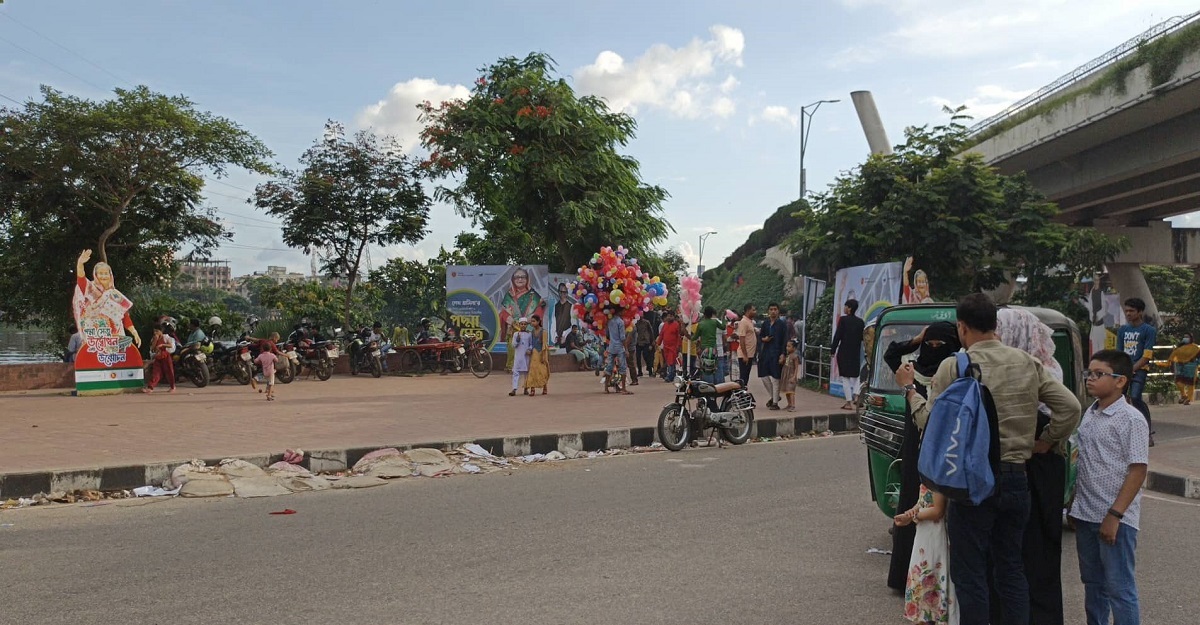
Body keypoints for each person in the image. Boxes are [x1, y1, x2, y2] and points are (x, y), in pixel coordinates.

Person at [896, 293, 1081, 625]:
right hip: (1017, 479)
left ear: (962, 327)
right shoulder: (1027, 362)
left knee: (971, 574)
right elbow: (1070, 408)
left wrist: (910, 391)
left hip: (972, 484)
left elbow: (932, 426)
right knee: (1011, 568)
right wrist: (1046, 441)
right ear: (995, 325)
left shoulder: (955, 365)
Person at [994, 307, 1068, 625]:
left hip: (1035, 468)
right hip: (1046, 468)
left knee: (1023, 551)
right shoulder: (1049, 368)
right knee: (1037, 552)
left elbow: (1069, 409)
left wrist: (1046, 440)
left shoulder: (1029, 370)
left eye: (999, 331)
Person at [1070, 350, 1149, 625]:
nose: (1091, 379)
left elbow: (1138, 470)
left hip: (1115, 519)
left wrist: (1114, 516)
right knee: (1093, 585)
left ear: (1120, 381)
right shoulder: (1090, 414)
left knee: (1119, 588)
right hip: (1085, 514)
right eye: (1088, 373)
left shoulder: (1131, 419)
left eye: (1099, 374)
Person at [884, 321, 962, 592]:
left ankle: (939, 583)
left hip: (942, 451)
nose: (935, 349)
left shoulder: (955, 374)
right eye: (931, 344)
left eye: (942, 345)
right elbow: (890, 355)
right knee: (910, 505)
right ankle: (904, 578)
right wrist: (916, 340)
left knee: (939, 514)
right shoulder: (911, 372)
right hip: (915, 451)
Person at [895, 483, 958, 625]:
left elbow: (937, 510)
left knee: (930, 574)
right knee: (928, 576)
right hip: (927, 533)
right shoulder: (930, 466)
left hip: (934, 533)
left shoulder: (935, 468)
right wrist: (911, 512)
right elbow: (924, 499)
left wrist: (913, 516)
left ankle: (931, 617)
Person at [72, 249, 142, 367]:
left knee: (115, 363)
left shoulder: (115, 294)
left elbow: (124, 315)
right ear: (96, 275)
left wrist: (134, 332)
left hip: (114, 336)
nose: (103, 276)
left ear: (110, 276)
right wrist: (80, 264)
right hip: (94, 334)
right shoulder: (90, 289)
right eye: (101, 273)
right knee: (95, 362)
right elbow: (81, 280)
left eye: (106, 273)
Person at [1117, 298, 1157, 446]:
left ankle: (1147, 433)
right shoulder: (1122, 330)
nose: (1128, 313)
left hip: (1139, 369)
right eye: (1126, 310)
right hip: (1124, 369)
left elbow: (1146, 356)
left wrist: (1132, 369)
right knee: (1118, 399)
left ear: (1140, 312)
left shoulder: (1148, 330)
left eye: (1131, 311)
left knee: (1135, 398)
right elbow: (1119, 352)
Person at [831, 299, 866, 411]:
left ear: (849, 308)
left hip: (844, 351)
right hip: (855, 351)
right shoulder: (861, 322)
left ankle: (848, 402)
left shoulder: (843, 320)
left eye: (846, 306)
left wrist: (832, 350)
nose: (844, 308)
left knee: (845, 377)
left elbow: (838, 336)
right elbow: (862, 338)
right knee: (856, 376)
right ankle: (856, 395)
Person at [757, 303, 788, 411]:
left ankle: (775, 402)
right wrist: (763, 339)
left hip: (777, 353)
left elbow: (785, 340)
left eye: (775, 309)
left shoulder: (782, 324)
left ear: (778, 311)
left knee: (775, 378)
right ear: (768, 311)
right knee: (763, 376)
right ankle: (774, 396)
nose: (773, 311)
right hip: (766, 353)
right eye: (771, 309)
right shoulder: (765, 323)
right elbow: (760, 336)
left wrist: (783, 354)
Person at [694, 306, 725, 384]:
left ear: (704, 314)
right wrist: (723, 317)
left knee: (706, 369)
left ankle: (708, 386)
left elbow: (695, 337)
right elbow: (723, 327)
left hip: (704, 349)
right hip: (714, 349)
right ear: (712, 314)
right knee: (714, 367)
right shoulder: (715, 322)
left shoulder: (700, 324)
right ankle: (717, 387)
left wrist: (687, 334)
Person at [1168, 332, 1198, 406]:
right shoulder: (1179, 347)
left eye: (1187, 337)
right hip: (1181, 367)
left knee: (1190, 383)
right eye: (1184, 337)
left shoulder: (1195, 348)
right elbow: (1173, 357)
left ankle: (1188, 399)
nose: (1185, 338)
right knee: (1178, 382)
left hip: (1191, 367)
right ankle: (1184, 395)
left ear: (1191, 338)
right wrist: (1172, 365)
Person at [143, 327, 176, 394]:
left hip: (165, 357)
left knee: (169, 372)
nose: (155, 333)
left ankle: (172, 387)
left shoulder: (165, 337)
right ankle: (150, 387)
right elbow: (152, 349)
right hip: (158, 357)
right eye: (154, 331)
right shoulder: (154, 338)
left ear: (161, 331)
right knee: (156, 373)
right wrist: (155, 340)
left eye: (157, 331)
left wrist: (162, 345)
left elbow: (170, 345)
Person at [605, 318, 633, 395]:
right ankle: (623, 388)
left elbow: (607, 334)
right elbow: (622, 337)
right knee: (623, 367)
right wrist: (626, 349)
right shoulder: (620, 321)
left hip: (611, 346)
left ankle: (606, 388)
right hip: (619, 347)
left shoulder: (609, 321)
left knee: (609, 367)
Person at [525, 315, 550, 396]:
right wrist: (529, 349)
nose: (532, 323)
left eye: (534, 321)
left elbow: (544, 344)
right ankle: (532, 389)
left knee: (542, 371)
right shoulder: (532, 332)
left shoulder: (544, 331)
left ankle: (545, 387)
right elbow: (532, 343)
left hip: (541, 353)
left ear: (538, 322)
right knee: (532, 371)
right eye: (531, 321)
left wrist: (543, 356)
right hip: (534, 353)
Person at [509, 318, 533, 396]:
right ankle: (514, 389)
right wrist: (517, 340)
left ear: (527, 325)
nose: (523, 325)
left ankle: (526, 388)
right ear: (519, 325)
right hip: (518, 357)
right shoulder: (516, 334)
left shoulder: (529, 334)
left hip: (526, 356)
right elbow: (513, 345)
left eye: (524, 324)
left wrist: (530, 349)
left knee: (526, 373)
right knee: (516, 372)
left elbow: (531, 344)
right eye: (521, 324)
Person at [736, 304, 758, 386]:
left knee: (746, 377)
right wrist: (745, 355)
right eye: (753, 310)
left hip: (749, 354)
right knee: (743, 377)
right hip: (745, 355)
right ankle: (740, 394)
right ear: (748, 311)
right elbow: (742, 339)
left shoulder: (749, 321)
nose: (755, 312)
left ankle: (743, 392)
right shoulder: (744, 322)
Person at [658, 311, 682, 382]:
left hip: (673, 347)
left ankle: (670, 376)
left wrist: (678, 346)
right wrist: (658, 343)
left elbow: (678, 336)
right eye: (668, 316)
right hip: (666, 347)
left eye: (671, 316)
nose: (669, 317)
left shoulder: (676, 325)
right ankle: (672, 375)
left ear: (673, 317)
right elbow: (661, 334)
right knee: (669, 361)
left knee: (671, 361)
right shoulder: (665, 325)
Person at [781, 339, 800, 411]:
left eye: (789, 346)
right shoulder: (787, 355)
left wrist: (794, 376)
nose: (787, 348)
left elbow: (796, 367)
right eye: (787, 346)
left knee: (791, 391)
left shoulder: (795, 356)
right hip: (786, 375)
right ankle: (789, 404)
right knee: (787, 391)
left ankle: (793, 405)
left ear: (794, 348)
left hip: (791, 375)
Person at [552, 281, 573, 346]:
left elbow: (573, 325)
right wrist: (554, 336)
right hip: (557, 339)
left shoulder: (571, 306)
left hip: (568, 339)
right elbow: (553, 323)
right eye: (561, 292)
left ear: (567, 293)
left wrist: (565, 335)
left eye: (565, 292)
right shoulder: (555, 306)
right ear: (558, 292)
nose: (562, 294)